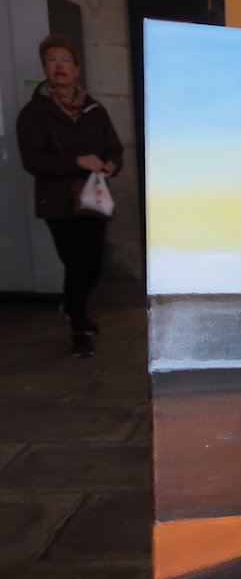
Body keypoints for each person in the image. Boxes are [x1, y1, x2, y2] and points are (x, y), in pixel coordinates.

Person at [16, 34, 123, 358]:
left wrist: (111, 164)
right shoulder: (33, 113)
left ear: (76, 68)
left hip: (92, 199)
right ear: (44, 68)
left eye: (65, 60)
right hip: (57, 202)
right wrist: (76, 161)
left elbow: (114, 148)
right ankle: (80, 329)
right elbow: (33, 161)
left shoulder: (95, 109)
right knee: (75, 264)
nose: (58, 65)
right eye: (51, 60)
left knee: (94, 265)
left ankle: (73, 305)